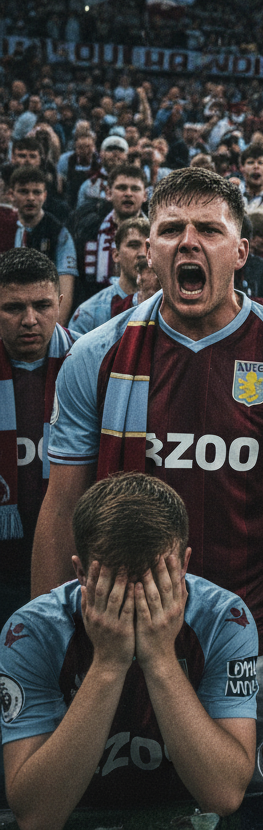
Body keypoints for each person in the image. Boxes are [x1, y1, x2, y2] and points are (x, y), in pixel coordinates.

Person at [32, 167, 263, 742]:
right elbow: (62, 507)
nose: (189, 242)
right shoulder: (95, 357)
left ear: (242, 251)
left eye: (209, 229)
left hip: (262, 638)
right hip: (119, 634)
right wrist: (47, 638)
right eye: (171, 229)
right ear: (148, 250)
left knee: (261, 812)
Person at [0, 473, 258, 825]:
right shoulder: (30, 633)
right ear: (80, 573)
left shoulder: (225, 619)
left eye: (156, 582)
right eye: (116, 587)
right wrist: (108, 663)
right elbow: (35, 815)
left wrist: (160, 657)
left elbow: (224, 794)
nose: (139, 604)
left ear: (183, 565)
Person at [0, 249, 75, 628]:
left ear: (60, 304)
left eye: (42, 305)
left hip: (68, 565)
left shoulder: (89, 363)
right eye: (14, 307)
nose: (30, 320)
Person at [6, 166, 77, 326]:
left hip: (42, 314)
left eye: (37, 192)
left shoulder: (59, 233)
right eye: (24, 192)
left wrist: (54, 330)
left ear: (45, 195)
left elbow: (65, 288)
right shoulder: (4, 229)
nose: (30, 198)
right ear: (11, 194)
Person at [71, 163, 147, 310]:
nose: (128, 194)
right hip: (96, 307)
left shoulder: (156, 231)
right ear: (108, 193)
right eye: (121, 187)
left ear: (145, 195)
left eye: (135, 188)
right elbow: (78, 279)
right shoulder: (88, 229)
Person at [68, 217, 149, 335]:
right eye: (133, 245)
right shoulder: (89, 314)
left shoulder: (170, 308)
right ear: (116, 255)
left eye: (148, 246)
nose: (142, 254)